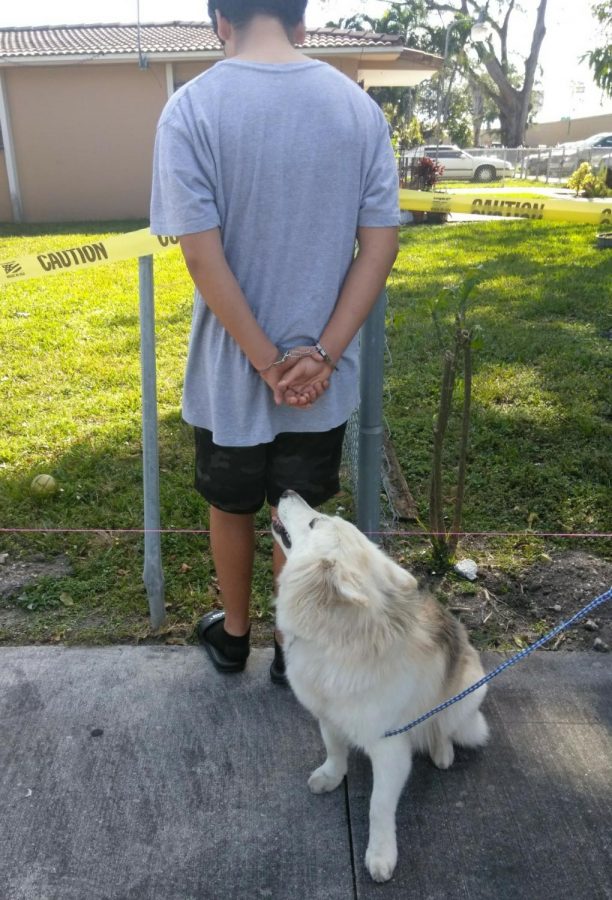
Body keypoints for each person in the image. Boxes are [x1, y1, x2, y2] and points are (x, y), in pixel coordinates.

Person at [150, 0, 399, 683]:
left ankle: (233, 637)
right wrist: (319, 355)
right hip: (320, 379)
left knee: (230, 506)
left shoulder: (191, 109)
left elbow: (201, 257)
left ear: (219, 22)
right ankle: (294, 653)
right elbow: (379, 246)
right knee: (300, 516)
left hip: (232, 373)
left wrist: (266, 364)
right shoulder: (358, 110)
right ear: (301, 20)